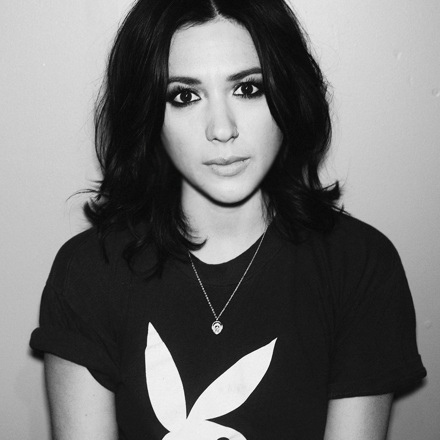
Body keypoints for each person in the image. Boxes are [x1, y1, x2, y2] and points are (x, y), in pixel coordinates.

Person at [30, 0, 427, 438]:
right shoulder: (89, 272)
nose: (222, 129)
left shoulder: (359, 266)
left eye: (247, 89)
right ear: (148, 113)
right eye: (185, 96)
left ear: (287, 93)